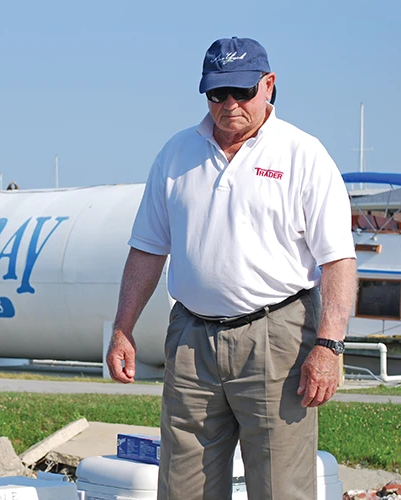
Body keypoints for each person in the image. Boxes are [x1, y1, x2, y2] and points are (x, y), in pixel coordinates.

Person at [106, 37, 357, 499]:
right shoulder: (177, 154)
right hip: (191, 341)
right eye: (217, 93)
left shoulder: (303, 155)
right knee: (182, 486)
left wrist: (328, 345)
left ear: (269, 85)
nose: (229, 105)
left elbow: (338, 261)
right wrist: (123, 329)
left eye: (242, 92)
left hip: (277, 339)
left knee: (281, 487)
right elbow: (147, 250)